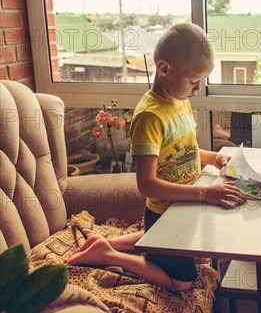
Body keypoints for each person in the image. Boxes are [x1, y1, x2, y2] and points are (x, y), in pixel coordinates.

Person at [66, 23, 247, 292]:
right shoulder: (150, 117)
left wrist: (212, 158)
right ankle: (108, 255)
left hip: (183, 206)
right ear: (164, 69)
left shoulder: (179, 99)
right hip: (163, 213)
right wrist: (206, 195)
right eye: (193, 80)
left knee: (182, 239)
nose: (198, 88)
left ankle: (109, 243)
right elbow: (147, 185)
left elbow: (179, 151)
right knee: (183, 282)